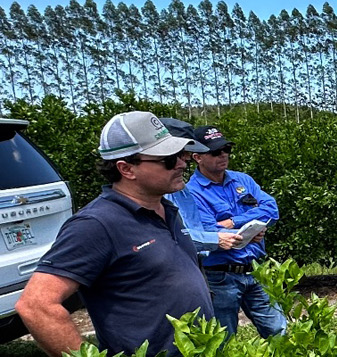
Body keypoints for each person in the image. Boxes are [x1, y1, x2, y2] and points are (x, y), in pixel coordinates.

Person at [16, 111, 213, 356]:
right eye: (169, 159)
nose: (183, 163)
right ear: (126, 168)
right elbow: (36, 305)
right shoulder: (97, 224)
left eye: (182, 155)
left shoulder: (167, 209)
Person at [187, 125, 287, 338]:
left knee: (279, 331)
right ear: (197, 157)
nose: (223, 155)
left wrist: (233, 222)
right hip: (221, 276)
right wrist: (251, 227)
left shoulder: (243, 180)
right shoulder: (192, 192)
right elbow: (208, 231)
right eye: (215, 152)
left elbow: (272, 209)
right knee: (224, 339)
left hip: (256, 270)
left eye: (226, 149)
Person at [157, 118, 247, 258]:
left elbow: (195, 229)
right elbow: (166, 237)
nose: (184, 164)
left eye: (186, 157)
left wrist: (239, 233)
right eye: (178, 156)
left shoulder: (182, 192)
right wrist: (217, 240)